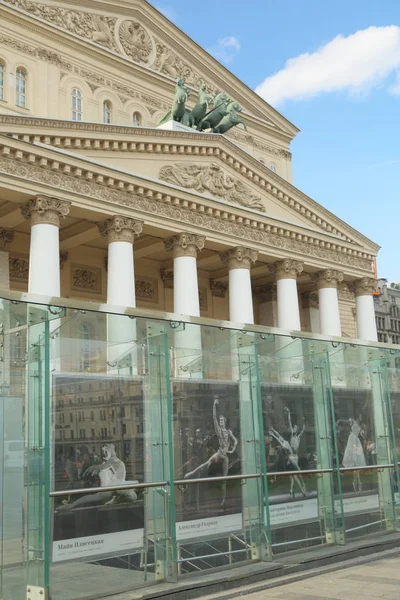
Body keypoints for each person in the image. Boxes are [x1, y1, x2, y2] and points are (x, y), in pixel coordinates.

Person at [184, 397, 237, 508]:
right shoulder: (218, 430)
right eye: (220, 421)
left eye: (222, 421)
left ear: (225, 421)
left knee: (224, 479)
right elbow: (214, 419)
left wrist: (233, 449)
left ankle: (223, 500)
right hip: (219, 453)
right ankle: (189, 474)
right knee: (205, 464)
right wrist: (214, 406)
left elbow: (235, 440)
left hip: (225, 456)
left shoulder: (228, 431)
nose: (221, 422)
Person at [269, 407, 307, 500]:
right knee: (295, 474)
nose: (294, 429)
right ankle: (299, 488)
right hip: (291, 457)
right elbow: (289, 422)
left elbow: (303, 429)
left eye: (295, 428)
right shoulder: (287, 440)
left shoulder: (297, 437)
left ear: (297, 430)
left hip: (295, 456)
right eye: (294, 428)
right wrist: (289, 412)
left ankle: (296, 488)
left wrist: (304, 421)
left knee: (294, 474)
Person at [338, 415, 366, 493]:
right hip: (352, 439)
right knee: (354, 459)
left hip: (356, 441)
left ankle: (357, 481)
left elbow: (363, 435)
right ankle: (356, 481)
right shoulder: (353, 421)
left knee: (357, 459)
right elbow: (344, 421)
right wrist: (343, 420)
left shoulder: (360, 425)